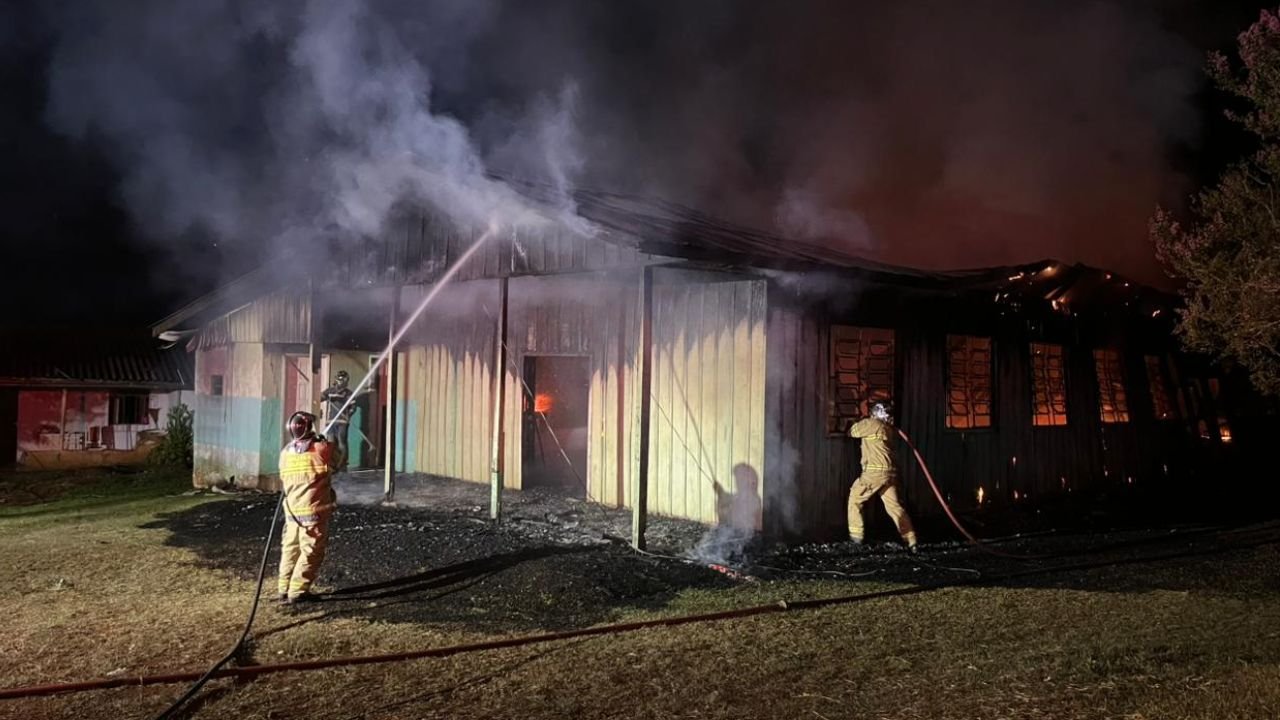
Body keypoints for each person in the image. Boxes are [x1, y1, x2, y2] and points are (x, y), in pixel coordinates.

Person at [277, 411, 336, 604]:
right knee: (311, 552)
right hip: (313, 513)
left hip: (292, 513)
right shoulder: (320, 449)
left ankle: (283, 588)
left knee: (290, 549)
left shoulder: (285, 453)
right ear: (309, 428)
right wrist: (324, 441)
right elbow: (338, 460)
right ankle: (298, 591)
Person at [846, 400, 918, 552]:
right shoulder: (888, 429)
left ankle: (856, 538)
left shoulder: (872, 424)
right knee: (894, 507)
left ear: (875, 414)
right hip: (889, 474)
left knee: (854, 499)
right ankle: (911, 539)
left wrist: (853, 421)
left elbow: (852, 432)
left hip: (874, 473)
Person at [319, 370, 360, 470]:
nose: (341, 382)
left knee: (342, 441)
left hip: (342, 421)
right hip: (331, 421)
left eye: (344, 380)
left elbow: (353, 407)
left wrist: (349, 414)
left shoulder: (349, 393)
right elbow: (319, 398)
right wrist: (321, 399)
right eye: (340, 379)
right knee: (331, 443)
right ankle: (333, 463)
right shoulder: (330, 391)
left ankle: (342, 463)